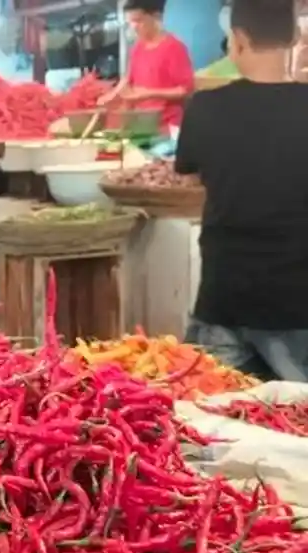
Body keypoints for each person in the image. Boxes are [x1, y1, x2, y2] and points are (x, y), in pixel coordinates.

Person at [174, 0, 308, 381]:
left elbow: (190, 179)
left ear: (237, 39)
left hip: (224, 298)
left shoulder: (204, 107)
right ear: (295, 38)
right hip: (298, 305)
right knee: (297, 416)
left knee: (216, 412)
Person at [97, 0, 195, 131]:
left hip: (167, 125)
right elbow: (128, 79)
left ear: (156, 17)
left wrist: (148, 93)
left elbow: (186, 90)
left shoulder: (174, 47)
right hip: (142, 124)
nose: (134, 27)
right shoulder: (138, 47)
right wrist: (112, 95)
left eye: (139, 21)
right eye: (131, 22)